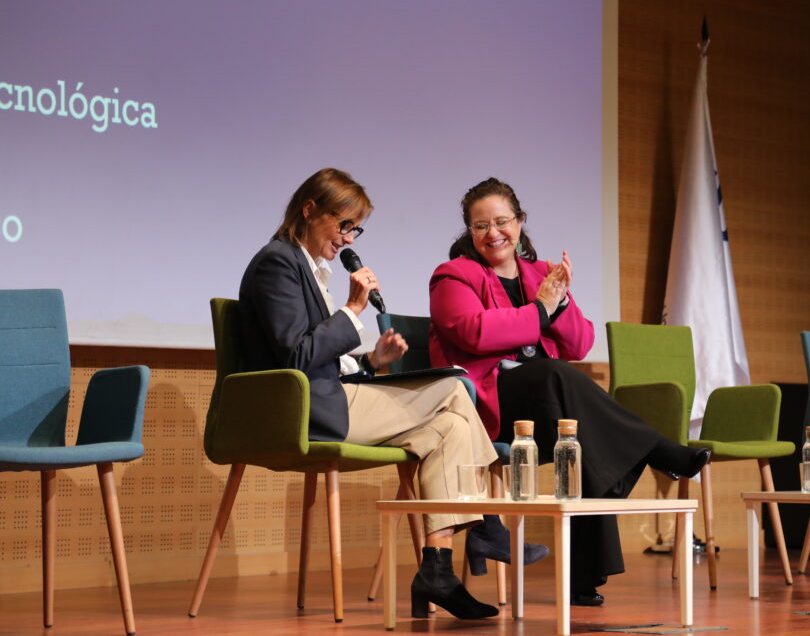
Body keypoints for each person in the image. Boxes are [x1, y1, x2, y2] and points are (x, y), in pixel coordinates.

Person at [238, 168, 532, 620]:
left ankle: (436, 570)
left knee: (452, 426)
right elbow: (296, 357)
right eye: (343, 225)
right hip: (299, 410)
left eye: (356, 229)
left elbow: (319, 358)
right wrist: (354, 311)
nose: (347, 239)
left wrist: (372, 361)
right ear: (310, 209)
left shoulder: (309, 267)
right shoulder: (277, 262)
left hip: (331, 396)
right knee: (455, 387)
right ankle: (488, 525)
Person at [429, 178, 712, 606]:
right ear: (469, 232)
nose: (493, 233)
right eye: (480, 225)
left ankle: (582, 577)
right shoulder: (454, 274)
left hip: (541, 402)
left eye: (502, 221)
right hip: (487, 405)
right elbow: (474, 333)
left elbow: (580, 341)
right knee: (555, 374)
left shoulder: (543, 274)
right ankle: (657, 449)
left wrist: (557, 304)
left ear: (520, 223)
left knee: (581, 437)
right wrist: (540, 309)